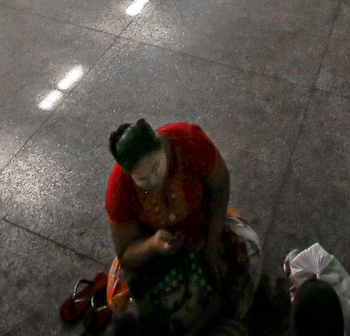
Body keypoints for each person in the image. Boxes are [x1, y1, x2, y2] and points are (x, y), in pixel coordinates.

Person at [106, 120, 260, 334]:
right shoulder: (119, 188)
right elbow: (125, 254)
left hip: (205, 228)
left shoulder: (189, 140)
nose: (154, 180)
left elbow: (220, 184)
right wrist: (153, 245)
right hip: (162, 254)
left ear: (162, 146)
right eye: (143, 178)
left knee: (249, 253)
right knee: (132, 310)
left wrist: (212, 241)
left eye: (155, 167)